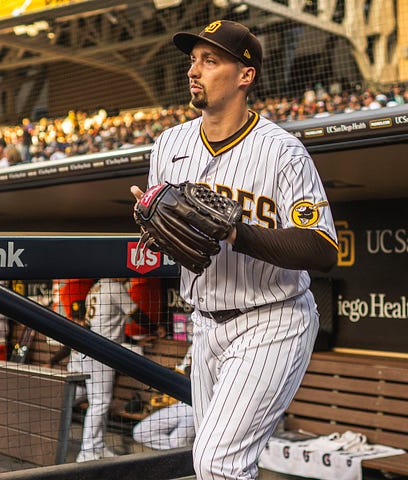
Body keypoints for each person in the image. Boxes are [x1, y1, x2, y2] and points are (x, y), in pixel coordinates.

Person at [130, 20, 338, 479]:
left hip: (273, 320)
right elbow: (176, 243)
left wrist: (236, 232)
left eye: (210, 60)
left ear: (245, 75)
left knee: (217, 462)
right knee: (216, 467)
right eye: (192, 61)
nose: (194, 70)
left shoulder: (283, 151)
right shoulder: (169, 144)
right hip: (204, 326)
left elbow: (323, 250)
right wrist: (154, 222)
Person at [67, 277, 157, 463]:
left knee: (98, 401)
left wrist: (134, 342)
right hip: (100, 351)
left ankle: (97, 446)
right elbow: (136, 314)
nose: (128, 275)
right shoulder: (114, 287)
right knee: (99, 403)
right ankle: (87, 451)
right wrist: (157, 329)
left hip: (92, 347)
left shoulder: (96, 286)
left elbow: (107, 325)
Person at [132, 348, 194, 451]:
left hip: (201, 407)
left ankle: (182, 452)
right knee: (140, 433)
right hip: (182, 403)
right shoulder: (193, 346)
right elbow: (184, 373)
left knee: (177, 442)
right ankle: (184, 452)